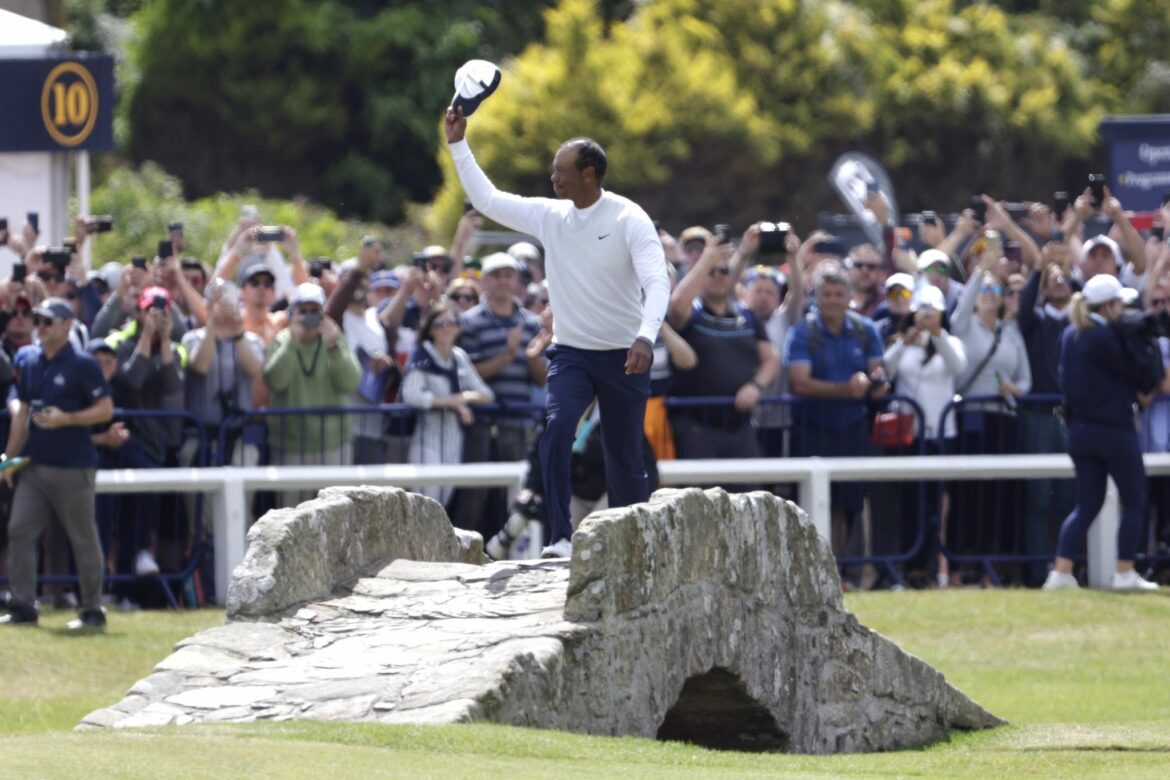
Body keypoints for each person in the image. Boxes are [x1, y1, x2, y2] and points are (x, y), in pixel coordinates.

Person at [445, 105, 670, 559]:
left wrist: (646, 336)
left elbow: (657, 281)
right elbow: (487, 200)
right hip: (571, 352)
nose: (553, 179)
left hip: (626, 352)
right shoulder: (550, 215)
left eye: (561, 171)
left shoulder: (629, 218)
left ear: (589, 174)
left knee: (624, 457)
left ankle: (633, 545)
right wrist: (457, 143)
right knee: (556, 429)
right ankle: (560, 537)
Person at [0, 297, 114, 630]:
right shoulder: (29, 359)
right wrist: (8, 457)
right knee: (19, 531)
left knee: (82, 537)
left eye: (48, 321)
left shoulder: (83, 364)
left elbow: (105, 409)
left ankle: (93, 610)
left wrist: (66, 419)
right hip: (34, 466)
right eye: (39, 320)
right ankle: (23, 606)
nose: (41, 326)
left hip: (73, 466)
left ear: (66, 326)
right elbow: (22, 412)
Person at [1043, 275, 1161, 591]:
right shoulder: (1104, 336)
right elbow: (1138, 374)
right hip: (1114, 431)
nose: (1124, 310)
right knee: (1135, 500)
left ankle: (1061, 572)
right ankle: (1124, 572)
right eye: (1120, 304)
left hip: (1079, 432)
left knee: (1087, 504)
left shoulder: (1071, 333)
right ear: (1109, 305)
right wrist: (1140, 338)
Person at [263, 283, 361, 506]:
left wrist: (334, 346)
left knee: (336, 515)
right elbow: (275, 381)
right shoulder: (282, 340)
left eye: (314, 310)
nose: (309, 316)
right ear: (292, 313)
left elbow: (351, 381)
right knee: (291, 518)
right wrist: (293, 343)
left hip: (334, 445)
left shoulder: (334, 338)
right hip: (292, 447)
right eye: (302, 311)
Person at [401, 301, 494, 508]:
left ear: (458, 328)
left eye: (451, 322)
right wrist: (450, 403)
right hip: (428, 442)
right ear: (430, 328)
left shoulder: (459, 356)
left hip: (454, 443)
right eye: (439, 323)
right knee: (425, 504)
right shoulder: (421, 353)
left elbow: (486, 394)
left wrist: (464, 398)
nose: (446, 327)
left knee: (442, 507)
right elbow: (411, 394)